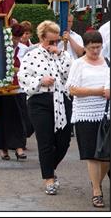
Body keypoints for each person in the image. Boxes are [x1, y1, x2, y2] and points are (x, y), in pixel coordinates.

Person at [19, 20, 72, 195]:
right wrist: (40, 81)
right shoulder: (31, 55)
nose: (54, 44)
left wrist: (60, 54)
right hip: (39, 101)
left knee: (64, 141)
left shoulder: (62, 55)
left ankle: (49, 166)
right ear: (42, 38)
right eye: (50, 41)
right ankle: (49, 178)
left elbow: (70, 75)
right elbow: (23, 78)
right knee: (45, 141)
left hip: (61, 99)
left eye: (56, 41)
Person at [65, 30, 110, 208]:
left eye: (98, 47)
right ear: (85, 47)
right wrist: (99, 91)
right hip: (85, 114)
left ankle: (96, 181)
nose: (95, 51)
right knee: (92, 154)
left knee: (107, 155)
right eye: (92, 48)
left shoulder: (107, 63)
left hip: (105, 114)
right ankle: (97, 191)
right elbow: (73, 90)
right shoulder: (78, 64)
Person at [0, 23, 28, 161]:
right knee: (1, 118)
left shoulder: (24, 50)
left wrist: (17, 70)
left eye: (18, 38)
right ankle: (3, 148)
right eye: (13, 38)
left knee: (18, 118)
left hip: (17, 89)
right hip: (1, 88)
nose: (15, 41)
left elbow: (26, 68)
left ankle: (19, 147)